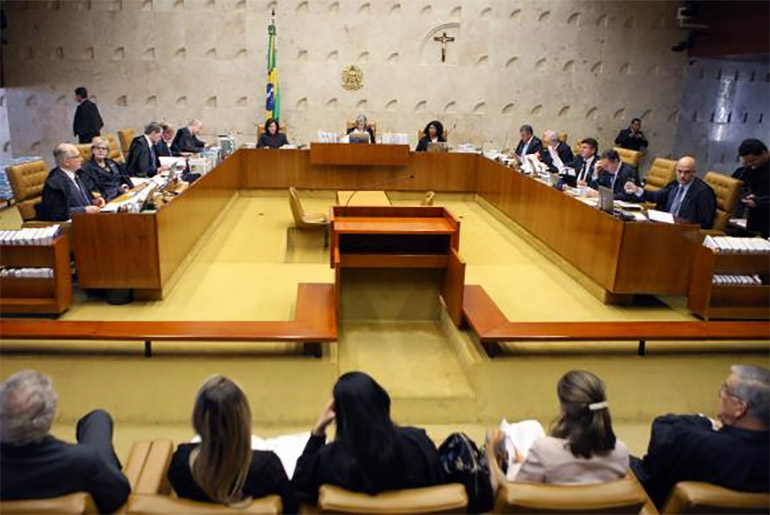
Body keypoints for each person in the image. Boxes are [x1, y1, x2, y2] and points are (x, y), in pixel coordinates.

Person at [631, 365, 769, 510]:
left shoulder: (703, 445)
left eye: (726, 389)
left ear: (739, 408)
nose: (720, 394)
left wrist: (705, 421)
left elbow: (664, 427)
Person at [292, 371, 444, 499]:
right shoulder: (418, 442)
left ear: (340, 416)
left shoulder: (328, 458)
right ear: (383, 401)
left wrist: (318, 432)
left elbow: (299, 485)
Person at [0, 370, 130, 513]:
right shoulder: (82, 461)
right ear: (50, 417)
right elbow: (118, 495)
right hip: (83, 468)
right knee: (98, 419)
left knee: (97, 420)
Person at [168, 376, 298, 511]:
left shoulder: (179, 463)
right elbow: (292, 507)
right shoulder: (267, 467)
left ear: (198, 419)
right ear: (243, 420)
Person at [486, 370, 629, 490]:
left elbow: (511, 495)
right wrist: (529, 463)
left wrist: (491, 453)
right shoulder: (621, 453)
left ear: (564, 410)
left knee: (526, 430)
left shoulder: (543, 449)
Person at [625, 156, 717, 229]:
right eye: (679, 171)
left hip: (683, 232)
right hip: (665, 226)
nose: (682, 176)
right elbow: (656, 196)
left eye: (687, 172)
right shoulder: (674, 185)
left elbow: (706, 223)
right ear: (676, 170)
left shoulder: (703, 192)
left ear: (694, 172)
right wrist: (637, 190)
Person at [37, 143, 105, 221]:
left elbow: (84, 199)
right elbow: (58, 213)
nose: (81, 159)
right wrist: (85, 210)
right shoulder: (55, 183)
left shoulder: (78, 174)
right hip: (72, 225)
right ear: (66, 162)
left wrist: (95, 201)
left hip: (88, 219)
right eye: (77, 157)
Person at [732, 139, 769, 237]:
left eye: (753, 160)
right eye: (746, 161)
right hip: (755, 219)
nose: (750, 164)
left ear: (764, 153)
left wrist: (758, 201)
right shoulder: (752, 168)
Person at [80, 137, 132, 201]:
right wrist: (119, 190)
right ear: (93, 150)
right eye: (98, 148)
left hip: (123, 194)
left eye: (103, 148)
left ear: (107, 151)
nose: (100, 150)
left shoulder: (111, 162)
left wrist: (125, 185)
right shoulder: (87, 168)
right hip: (108, 199)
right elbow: (94, 192)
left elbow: (123, 177)